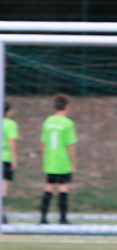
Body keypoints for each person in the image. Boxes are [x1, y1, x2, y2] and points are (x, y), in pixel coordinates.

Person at [40, 94, 78, 225]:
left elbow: (43, 143)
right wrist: (73, 163)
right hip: (63, 161)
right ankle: (63, 219)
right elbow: (71, 145)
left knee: (49, 187)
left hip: (50, 160)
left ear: (54, 107)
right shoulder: (68, 123)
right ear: (67, 107)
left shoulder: (48, 121)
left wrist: (45, 158)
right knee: (63, 187)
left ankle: (43, 218)